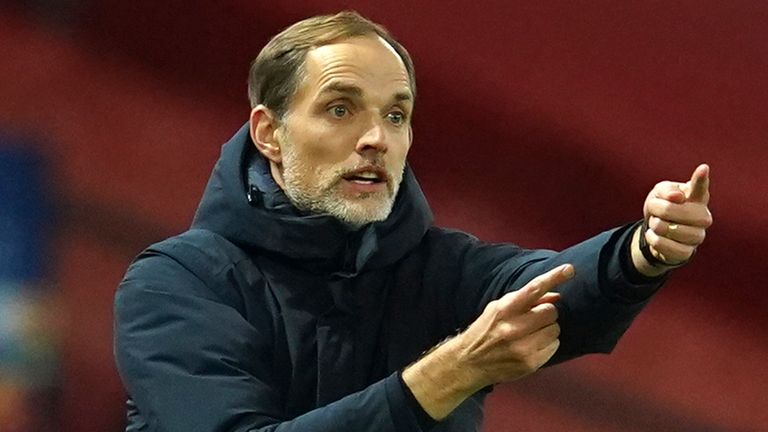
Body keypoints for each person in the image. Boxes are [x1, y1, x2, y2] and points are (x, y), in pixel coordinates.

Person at [113, 11, 712, 432]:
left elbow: (551, 286)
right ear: (270, 133)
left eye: (396, 115)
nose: (376, 138)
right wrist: (449, 373)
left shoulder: (440, 267)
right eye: (340, 109)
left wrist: (642, 250)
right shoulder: (175, 284)